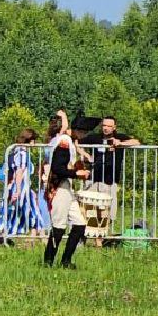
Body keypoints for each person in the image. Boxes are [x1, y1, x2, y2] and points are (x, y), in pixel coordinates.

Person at [80, 115, 139, 237]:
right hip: (94, 179)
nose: (105, 128)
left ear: (114, 127)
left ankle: (102, 235)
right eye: (104, 125)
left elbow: (136, 142)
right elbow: (76, 142)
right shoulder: (95, 137)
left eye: (109, 126)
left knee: (109, 212)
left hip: (110, 180)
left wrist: (121, 143)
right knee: (89, 209)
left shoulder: (119, 137)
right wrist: (86, 155)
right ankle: (86, 236)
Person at [44, 111, 89, 269]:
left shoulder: (69, 141)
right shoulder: (64, 141)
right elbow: (57, 168)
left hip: (67, 188)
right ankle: (48, 261)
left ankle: (66, 260)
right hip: (59, 188)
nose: (83, 135)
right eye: (83, 132)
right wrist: (77, 173)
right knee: (58, 227)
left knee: (79, 224)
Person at [0, 128, 49, 241]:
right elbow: (19, 172)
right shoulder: (22, 153)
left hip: (23, 187)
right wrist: (17, 190)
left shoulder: (16, 152)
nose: (34, 144)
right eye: (33, 141)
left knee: (30, 212)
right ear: (29, 140)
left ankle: (35, 240)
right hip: (21, 188)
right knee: (22, 212)